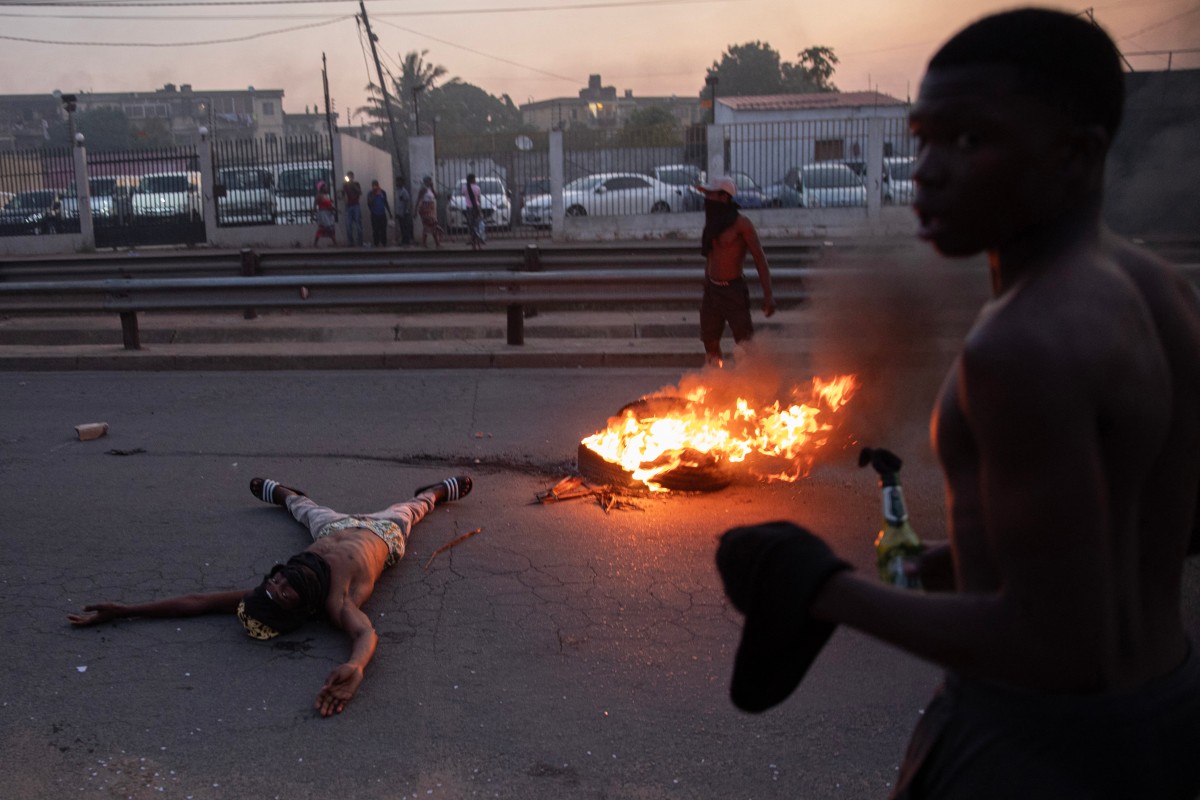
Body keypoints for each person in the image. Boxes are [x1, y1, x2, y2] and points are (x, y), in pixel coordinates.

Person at [716, 9, 1200, 798]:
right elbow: (1152, 523)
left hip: (1039, 750)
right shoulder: (1159, 291)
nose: (929, 170)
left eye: (971, 141)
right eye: (925, 138)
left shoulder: (1022, 343)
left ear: (1075, 152)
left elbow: (1058, 650)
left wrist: (821, 591)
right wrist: (960, 562)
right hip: (1168, 714)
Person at [69, 475, 473, 717]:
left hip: (330, 532)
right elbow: (366, 635)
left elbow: (197, 601)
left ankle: (285, 493)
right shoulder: (336, 603)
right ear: (302, 609)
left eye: (273, 584)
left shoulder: (281, 583)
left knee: (304, 510)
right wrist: (357, 667)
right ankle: (434, 491)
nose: (278, 584)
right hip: (381, 535)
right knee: (413, 510)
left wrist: (125, 610)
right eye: (284, 593)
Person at [698, 175, 774, 367]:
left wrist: (768, 295)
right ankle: (717, 382)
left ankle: (751, 385)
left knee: (745, 343)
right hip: (712, 291)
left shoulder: (742, 224)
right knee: (710, 340)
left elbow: (760, 258)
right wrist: (707, 283)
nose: (707, 199)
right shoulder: (712, 223)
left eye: (711, 195)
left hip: (734, 291)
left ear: (724, 197)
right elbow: (710, 255)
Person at [415, 175, 443, 248]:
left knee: (429, 226)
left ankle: (431, 243)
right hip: (425, 208)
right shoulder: (423, 189)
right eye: (429, 180)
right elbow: (418, 200)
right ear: (426, 181)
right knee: (431, 224)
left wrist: (432, 188)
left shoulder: (430, 189)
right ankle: (434, 242)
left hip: (431, 208)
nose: (431, 182)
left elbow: (436, 197)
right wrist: (415, 211)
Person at [463, 173, 486, 250]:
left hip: (469, 208)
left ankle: (473, 246)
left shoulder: (465, 187)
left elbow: (465, 195)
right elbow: (478, 199)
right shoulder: (477, 188)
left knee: (472, 227)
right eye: (474, 179)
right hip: (476, 208)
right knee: (478, 226)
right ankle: (479, 244)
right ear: (473, 179)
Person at [366, 179, 391, 248]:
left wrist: (389, 212)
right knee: (375, 230)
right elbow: (369, 203)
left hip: (382, 214)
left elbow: (385, 203)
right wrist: (374, 194)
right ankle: (376, 243)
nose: (375, 186)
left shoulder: (383, 192)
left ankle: (384, 243)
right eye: (373, 185)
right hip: (374, 214)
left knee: (383, 229)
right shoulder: (370, 193)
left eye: (376, 185)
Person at [341, 171, 363, 247]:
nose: (349, 178)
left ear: (353, 177)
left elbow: (359, 192)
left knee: (358, 224)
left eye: (350, 177)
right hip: (348, 206)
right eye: (348, 177)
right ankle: (351, 242)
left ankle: (360, 241)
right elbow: (342, 195)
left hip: (356, 205)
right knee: (348, 225)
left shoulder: (356, 184)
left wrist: (352, 184)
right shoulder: (345, 185)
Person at [313, 180, 337, 248]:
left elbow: (329, 205)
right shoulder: (318, 196)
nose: (327, 188)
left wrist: (334, 209)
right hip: (323, 214)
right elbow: (315, 206)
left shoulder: (326, 196)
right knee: (326, 228)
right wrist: (314, 215)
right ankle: (335, 243)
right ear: (322, 188)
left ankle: (315, 243)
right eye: (325, 187)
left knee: (328, 228)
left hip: (328, 214)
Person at [394, 175, 414, 246]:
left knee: (405, 227)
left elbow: (406, 202)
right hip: (399, 212)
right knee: (402, 227)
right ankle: (404, 240)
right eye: (396, 181)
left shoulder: (404, 191)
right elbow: (398, 203)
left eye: (398, 181)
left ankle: (407, 240)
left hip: (404, 213)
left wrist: (404, 212)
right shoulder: (397, 191)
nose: (397, 183)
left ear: (401, 182)